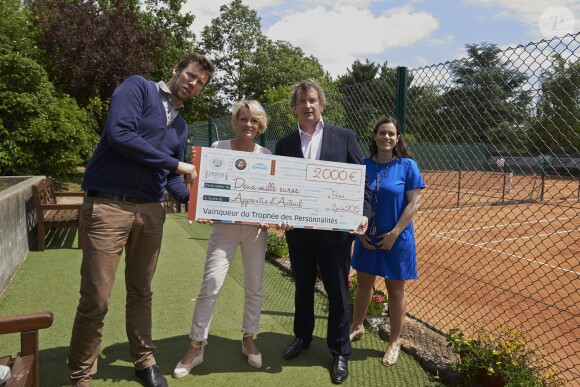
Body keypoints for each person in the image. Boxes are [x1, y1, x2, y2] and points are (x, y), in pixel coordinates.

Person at [68, 53, 215, 387]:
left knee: (141, 291)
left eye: (200, 83)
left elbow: (172, 178)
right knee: (96, 298)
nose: (193, 84)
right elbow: (120, 134)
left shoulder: (181, 125)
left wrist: (196, 204)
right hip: (108, 205)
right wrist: (178, 165)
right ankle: (81, 373)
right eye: (191, 76)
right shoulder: (138, 88)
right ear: (176, 70)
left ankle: (144, 361)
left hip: (150, 211)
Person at [275, 79, 371, 384]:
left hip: (336, 234)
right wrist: (281, 214)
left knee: (338, 293)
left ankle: (339, 351)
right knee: (302, 287)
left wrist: (364, 215)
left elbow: (363, 185)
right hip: (299, 234)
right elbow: (280, 189)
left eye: (313, 100)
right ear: (294, 109)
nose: (307, 106)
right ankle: (302, 337)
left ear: (322, 104)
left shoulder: (344, 137)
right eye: (301, 102)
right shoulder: (285, 144)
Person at [173, 100, 271, 378]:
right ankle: (196, 345)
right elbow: (202, 186)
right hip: (224, 229)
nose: (248, 125)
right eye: (243, 119)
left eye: (253, 120)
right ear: (235, 121)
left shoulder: (265, 154)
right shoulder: (218, 149)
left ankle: (249, 338)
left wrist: (270, 216)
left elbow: (268, 196)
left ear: (260, 125)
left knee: (254, 286)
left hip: (255, 230)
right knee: (211, 284)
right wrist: (202, 206)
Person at [348, 117, 424, 367]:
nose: (387, 137)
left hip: (396, 239)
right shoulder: (363, 164)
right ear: (374, 136)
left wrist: (394, 233)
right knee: (364, 284)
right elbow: (352, 199)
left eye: (392, 133)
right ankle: (357, 326)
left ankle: (394, 341)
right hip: (366, 237)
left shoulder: (407, 165)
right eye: (382, 133)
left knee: (396, 290)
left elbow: (414, 202)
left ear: (398, 138)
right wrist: (359, 231)